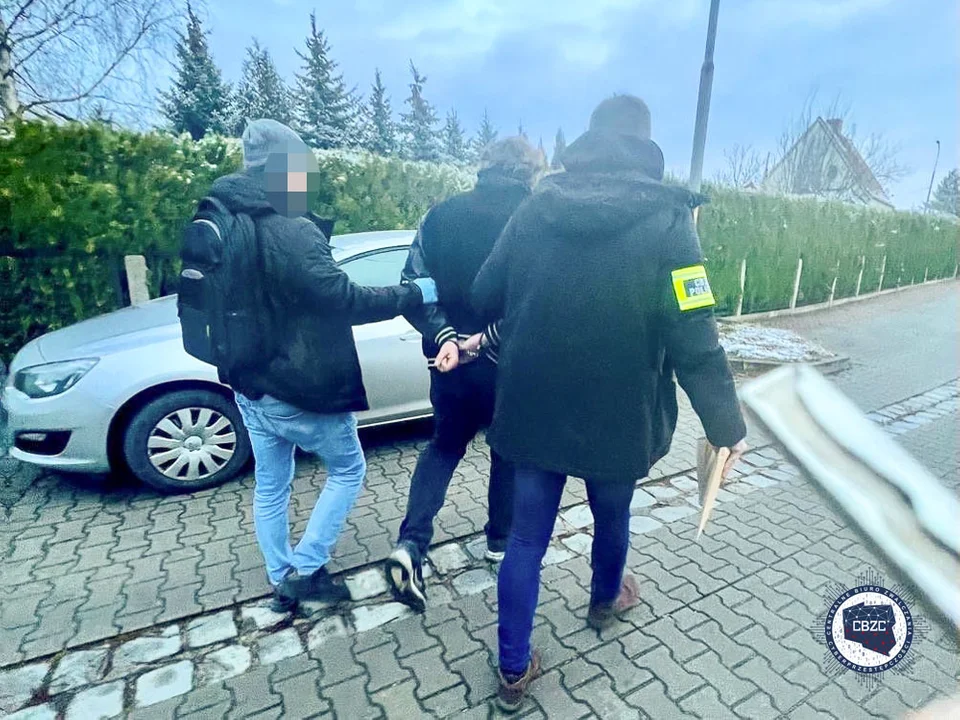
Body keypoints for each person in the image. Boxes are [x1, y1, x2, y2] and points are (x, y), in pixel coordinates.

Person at [469, 96, 749, 712]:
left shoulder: (535, 206)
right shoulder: (670, 221)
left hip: (534, 403)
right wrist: (726, 425)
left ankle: (512, 668)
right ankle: (604, 601)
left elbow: (484, 292)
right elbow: (694, 334)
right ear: (645, 147)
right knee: (613, 514)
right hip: (621, 409)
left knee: (525, 538)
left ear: (587, 143)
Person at [204, 119, 438, 612]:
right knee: (349, 469)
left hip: (249, 382)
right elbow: (342, 298)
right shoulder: (289, 227)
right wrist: (414, 293)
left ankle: (280, 577)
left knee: (272, 483)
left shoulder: (223, 216)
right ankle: (307, 571)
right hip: (299, 384)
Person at [385, 137, 545, 612]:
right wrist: (486, 339)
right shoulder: (536, 219)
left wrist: (448, 338)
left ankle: (411, 543)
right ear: (530, 171)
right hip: (509, 363)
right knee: (507, 453)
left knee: (443, 446)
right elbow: (539, 300)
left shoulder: (440, 215)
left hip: (450, 362)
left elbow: (414, 287)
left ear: (485, 166)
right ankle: (498, 541)